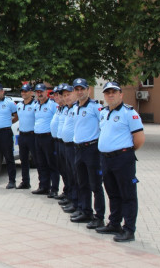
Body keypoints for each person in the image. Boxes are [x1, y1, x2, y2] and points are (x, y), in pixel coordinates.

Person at [97, 81, 145, 242]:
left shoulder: (129, 113)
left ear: (121, 94)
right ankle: (114, 223)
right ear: (104, 95)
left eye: (114, 92)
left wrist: (124, 152)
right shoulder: (103, 112)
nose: (110, 95)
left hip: (122, 159)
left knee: (128, 195)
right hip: (106, 159)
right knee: (113, 193)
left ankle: (129, 229)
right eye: (107, 92)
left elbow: (139, 139)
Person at [71, 78, 106, 229]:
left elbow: (104, 125)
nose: (80, 92)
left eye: (82, 89)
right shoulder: (74, 107)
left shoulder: (95, 108)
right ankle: (86, 211)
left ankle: (99, 217)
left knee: (95, 185)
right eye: (77, 89)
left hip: (92, 149)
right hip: (78, 149)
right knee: (82, 182)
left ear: (88, 90)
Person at [32, 83, 59, 197]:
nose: (39, 94)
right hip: (38, 137)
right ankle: (43, 186)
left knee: (51, 164)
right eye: (37, 92)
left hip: (48, 138)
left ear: (46, 92)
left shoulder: (52, 105)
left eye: (41, 92)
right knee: (41, 163)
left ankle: (54, 189)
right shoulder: (36, 105)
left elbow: (57, 120)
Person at [58, 84, 80, 214]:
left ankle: (78, 203)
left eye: (68, 94)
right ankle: (72, 199)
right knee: (69, 174)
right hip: (66, 145)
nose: (66, 97)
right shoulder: (68, 108)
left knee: (76, 176)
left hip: (74, 146)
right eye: (64, 95)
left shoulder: (78, 108)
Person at [51, 86, 70, 201]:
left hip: (67, 144)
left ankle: (71, 195)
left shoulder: (69, 108)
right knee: (62, 169)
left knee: (69, 171)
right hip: (58, 142)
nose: (57, 97)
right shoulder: (60, 109)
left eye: (59, 95)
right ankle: (67, 191)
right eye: (56, 95)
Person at [15, 84, 36, 189]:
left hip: (33, 135)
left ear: (31, 92)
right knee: (23, 160)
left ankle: (43, 184)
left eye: (26, 91)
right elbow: (16, 118)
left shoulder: (36, 105)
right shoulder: (19, 105)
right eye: (22, 91)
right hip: (22, 135)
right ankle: (25, 182)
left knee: (38, 160)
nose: (23, 93)